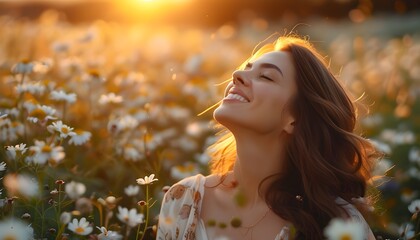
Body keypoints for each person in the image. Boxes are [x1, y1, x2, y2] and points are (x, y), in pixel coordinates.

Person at [156, 35, 379, 240]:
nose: (237, 75)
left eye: (265, 76)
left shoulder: (337, 223)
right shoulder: (183, 200)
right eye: (245, 69)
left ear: (295, 119)